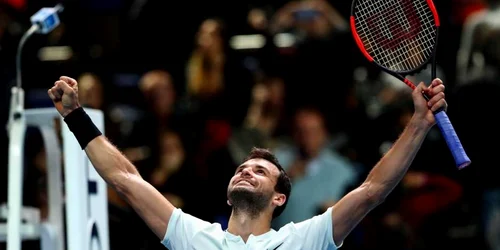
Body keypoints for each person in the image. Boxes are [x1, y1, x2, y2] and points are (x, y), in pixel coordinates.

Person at [47, 76, 448, 250]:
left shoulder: (301, 240)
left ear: (278, 199)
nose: (245, 170)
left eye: (260, 171)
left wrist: (417, 124)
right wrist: (75, 117)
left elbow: (371, 191)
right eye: (242, 168)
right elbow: (124, 178)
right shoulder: (194, 237)